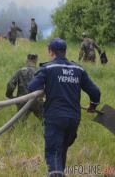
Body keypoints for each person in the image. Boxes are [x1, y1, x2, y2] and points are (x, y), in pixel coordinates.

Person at [28, 38, 101, 176]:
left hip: (55, 117)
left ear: (51, 52)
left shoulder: (48, 68)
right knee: (61, 150)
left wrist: (44, 92)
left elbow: (32, 87)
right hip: (73, 119)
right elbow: (95, 92)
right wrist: (93, 106)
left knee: (53, 152)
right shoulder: (78, 69)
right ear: (65, 51)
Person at [6, 54, 43, 120]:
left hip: (22, 100)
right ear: (36, 60)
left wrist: (9, 95)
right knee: (45, 122)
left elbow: (10, 84)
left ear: (27, 60)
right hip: (37, 101)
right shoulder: (40, 71)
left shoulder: (20, 71)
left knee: (18, 123)